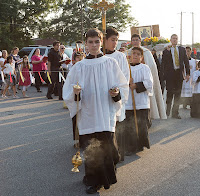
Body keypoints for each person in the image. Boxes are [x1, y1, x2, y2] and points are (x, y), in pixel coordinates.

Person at [63, 28, 129, 194]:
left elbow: (122, 85)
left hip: (105, 112)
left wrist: (116, 94)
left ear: (101, 42)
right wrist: (75, 93)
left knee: (107, 147)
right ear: (85, 44)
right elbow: (69, 92)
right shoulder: (79, 67)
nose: (94, 45)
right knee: (91, 148)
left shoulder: (110, 63)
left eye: (97, 41)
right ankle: (92, 181)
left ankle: (107, 177)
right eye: (90, 42)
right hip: (88, 113)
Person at [105, 27, 130, 161]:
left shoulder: (120, 56)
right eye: (112, 40)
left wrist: (117, 91)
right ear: (105, 40)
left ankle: (118, 154)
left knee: (117, 125)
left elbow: (124, 77)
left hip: (116, 96)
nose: (115, 43)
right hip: (103, 97)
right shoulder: (99, 56)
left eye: (116, 40)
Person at [122, 47, 153, 154]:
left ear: (141, 57)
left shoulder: (145, 68)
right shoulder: (126, 68)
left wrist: (136, 85)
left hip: (141, 102)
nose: (135, 55)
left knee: (141, 124)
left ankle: (140, 144)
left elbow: (149, 83)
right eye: (133, 53)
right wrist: (127, 82)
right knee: (129, 125)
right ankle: (131, 146)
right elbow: (120, 82)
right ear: (130, 55)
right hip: (128, 102)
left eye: (138, 54)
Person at [128, 34, 167, 120]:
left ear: (140, 41)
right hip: (131, 85)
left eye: (136, 40)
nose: (135, 41)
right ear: (131, 42)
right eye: (133, 40)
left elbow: (152, 67)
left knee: (145, 105)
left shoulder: (147, 52)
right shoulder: (127, 53)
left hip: (144, 82)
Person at [161, 34, 190, 119]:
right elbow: (163, 63)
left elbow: (186, 62)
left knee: (178, 94)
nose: (175, 40)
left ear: (177, 40)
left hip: (179, 74)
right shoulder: (166, 50)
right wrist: (163, 76)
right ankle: (167, 112)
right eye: (173, 38)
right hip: (170, 75)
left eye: (176, 39)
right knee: (170, 93)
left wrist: (188, 73)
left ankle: (175, 113)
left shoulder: (182, 49)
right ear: (170, 39)